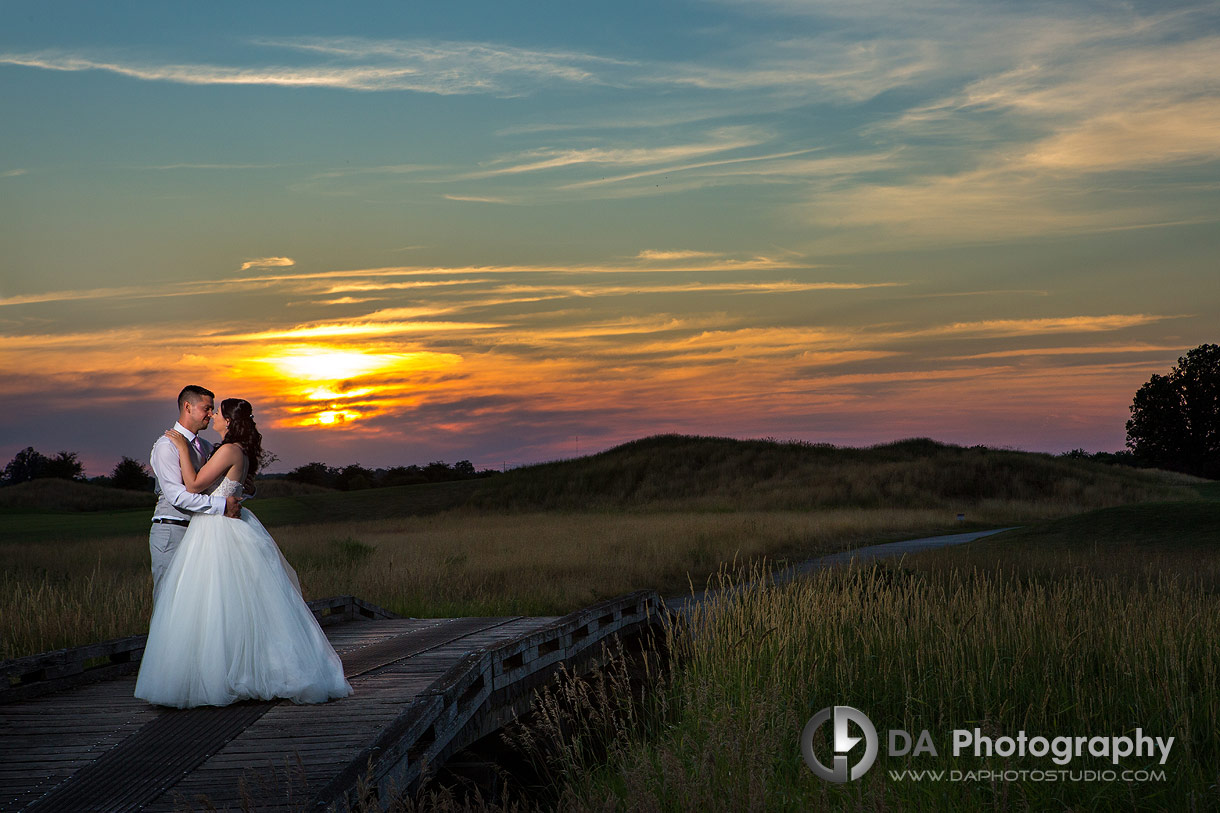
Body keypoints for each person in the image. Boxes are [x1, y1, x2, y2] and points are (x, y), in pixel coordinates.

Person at [134, 397, 352, 708]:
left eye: (217, 412)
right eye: (208, 409)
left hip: (218, 529)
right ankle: (228, 670)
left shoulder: (226, 449)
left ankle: (220, 674)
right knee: (229, 601)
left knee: (218, 601)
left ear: (229, 420)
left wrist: (183, 449)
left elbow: (194, 485)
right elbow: (233, 486)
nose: (213, 416)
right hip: (218, 524)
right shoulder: (230, 450)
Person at [148, 385, 242, 600]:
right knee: (169, 601)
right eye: (206, 408)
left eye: (212, 409)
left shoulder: (206, 447)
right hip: (173, 531)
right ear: (188, 407)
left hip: (201, 534)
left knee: (196, 602)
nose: (211, 414)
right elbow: (177, 497)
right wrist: (223, 506)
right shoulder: (167, 446)